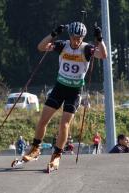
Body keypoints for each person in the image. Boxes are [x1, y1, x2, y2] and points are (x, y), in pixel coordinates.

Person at [13, 21, 107, 169]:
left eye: (80, 38)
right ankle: (35, 149)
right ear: (70, 36)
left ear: (83, 37)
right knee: (43, 119)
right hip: (59, 88)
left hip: (74, 92)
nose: (77, 41)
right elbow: (41, 47)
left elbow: (103, 55)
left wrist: (100, 39)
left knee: (64, 124)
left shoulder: (87, 49)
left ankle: (56, 155)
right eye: (74, 37)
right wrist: (53, 34)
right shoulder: (63, 45)